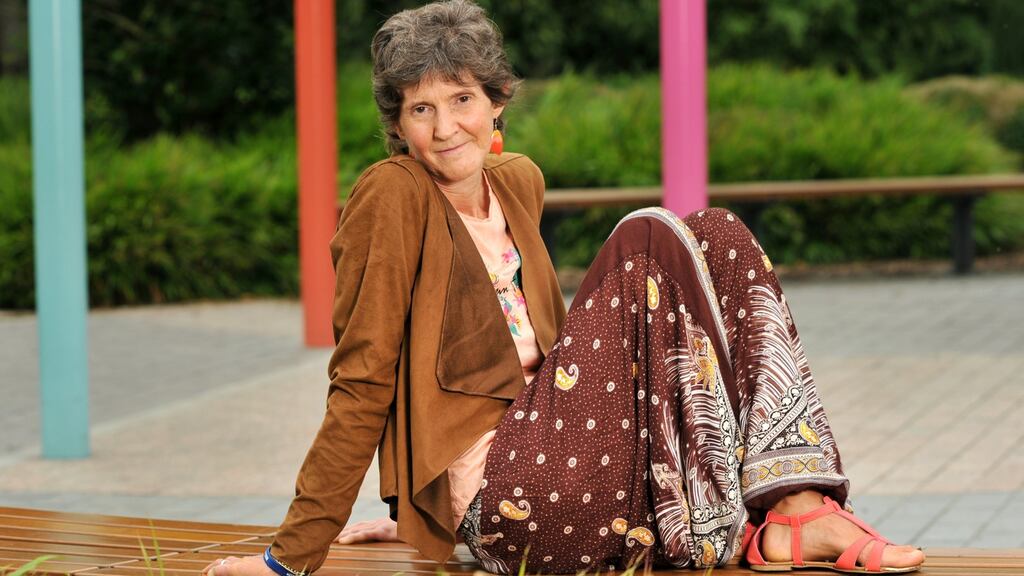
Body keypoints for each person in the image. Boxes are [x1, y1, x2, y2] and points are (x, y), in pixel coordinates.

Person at [203, 1, 926, 574]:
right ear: (397, 123)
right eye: (420, 109)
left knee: (719, 232)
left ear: (496, 103)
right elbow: (363, 378)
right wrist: (291, 556)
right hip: (518, 504)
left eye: (461, 99)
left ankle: (799, 508)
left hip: (582, 465)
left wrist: (411, 514)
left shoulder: (517, 182)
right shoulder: (391, 196)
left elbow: (531, 356)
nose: (445, 126)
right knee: (648, 238)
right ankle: (754, 512)